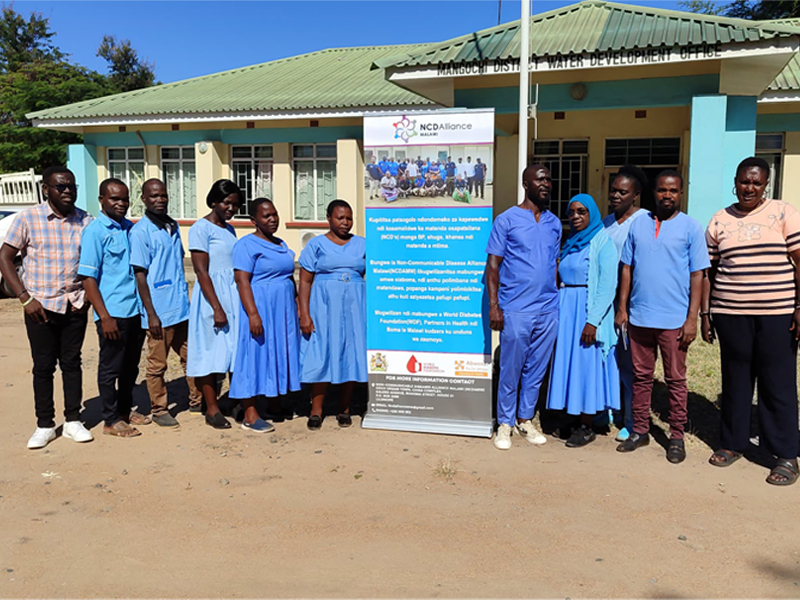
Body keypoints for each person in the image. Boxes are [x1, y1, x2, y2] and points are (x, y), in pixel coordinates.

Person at [702, 156, 800, 486]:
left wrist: (799, 306)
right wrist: (706, 313)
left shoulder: (784, 213)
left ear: (766, 185)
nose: (750, 187)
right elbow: (710, 271)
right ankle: (733, 442)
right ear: (735, 182)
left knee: (778, 383)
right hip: (731, 314)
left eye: (757, 183)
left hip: (777, 315)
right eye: (745, 181)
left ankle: (785, 454)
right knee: (736, 380)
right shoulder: (720, 219)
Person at [615, 170, 709, 463]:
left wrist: (692, 318)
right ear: (653, 192)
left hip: (674, 321)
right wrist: (622, 308)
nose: (667, 195)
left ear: (680, 193)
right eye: (662, 190)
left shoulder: (691, 227)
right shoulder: (638, 224)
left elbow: (698, 274)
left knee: (675, 380)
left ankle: (677, 436)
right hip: (640, 318)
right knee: (641, 377)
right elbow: (627, 268)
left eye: (673, 190)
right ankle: (640, 430)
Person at [0, 166, 94, 449]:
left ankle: (73, 420)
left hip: (75, 305)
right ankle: (45, 424)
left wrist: (87, 299)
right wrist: (25, 298)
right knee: (43, 367)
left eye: (72, 186)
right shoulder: (28, 218)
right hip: (40, 307)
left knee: (72, 363)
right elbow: (5, 258)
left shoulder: (86, 220)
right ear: (46, 189)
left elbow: (95, 262)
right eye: (60, 186)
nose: (67, 191)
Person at [485, 165, 561, 450]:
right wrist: (495, 306)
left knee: (537, 367)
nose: (546, 183)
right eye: (540, 179)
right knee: (511, 367)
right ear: (526, 184)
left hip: (548, 308)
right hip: (516, 307)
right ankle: (504, 423)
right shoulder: (507, 220)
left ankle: (525, 418)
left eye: (548, 179)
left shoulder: (554, 223)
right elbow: (493, 266)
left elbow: (553, 264)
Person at [547, 194, 619, 447]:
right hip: (567, 310)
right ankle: (572, 416)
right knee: (570, 364)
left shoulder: (602, 242)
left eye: (581, 211)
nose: (575, 216)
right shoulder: (570, 243)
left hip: (587, 312)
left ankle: (587, 424)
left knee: (586, 366)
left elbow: (607, 286)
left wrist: (593, 321)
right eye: (571, 212)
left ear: (592, 214)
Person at [130, 178, 201, 428]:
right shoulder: (141, 232)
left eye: (163, 195)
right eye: (153, 196)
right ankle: (159, 409)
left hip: (180, 307)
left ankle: (197, 400)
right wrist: (151, 313)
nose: (159, 199)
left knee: (191, 356)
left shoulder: (172, 226)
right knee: (157, 364)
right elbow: (140, 274)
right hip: (159, 311)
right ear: (144, 199)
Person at [78, 178, 147, 438]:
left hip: (134, 310)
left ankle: (125, 411)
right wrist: (104, 316)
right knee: (110, 368)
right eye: (115, 198)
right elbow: (88, 277)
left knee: (131, 366)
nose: (121, 203)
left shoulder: (130, 228)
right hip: (113, 313)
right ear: (102, 200)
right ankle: (110, 419)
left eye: (125, 199)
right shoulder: (95, 232)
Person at [229, 198, 300, 432]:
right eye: (266, 216)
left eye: (275, 214)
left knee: (278, 352)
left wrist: (297, 305)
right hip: (260, 306)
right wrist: (253, 314)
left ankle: (274, 402)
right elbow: (242, 280)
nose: (272, 219)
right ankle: (249, 413)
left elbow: (288, 277)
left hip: (283, 310)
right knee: (253, 355)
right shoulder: (246, 245)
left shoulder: (280, 243)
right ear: (254, 220)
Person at [298, 200, 366, 430]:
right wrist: (304, 313)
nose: (345, 222)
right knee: (322, 353)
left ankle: (344, 408)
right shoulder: (316, 245)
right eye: (340, 218)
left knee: (351, 353)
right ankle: (316, 409)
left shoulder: (362, 244)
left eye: (349, 218)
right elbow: (305, 281)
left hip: (354, 307)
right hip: (324, 307)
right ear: (328, 218)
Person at [187, 179, 243, 430]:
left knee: (233, 351)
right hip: (212, 298)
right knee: (210, 352)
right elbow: (201, 271)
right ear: (213, 202)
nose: (231, 208)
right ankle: (211, 408)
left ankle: (235, 401)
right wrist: (217, 307)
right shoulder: (201, 228)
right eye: (226, 203)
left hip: (232, 295)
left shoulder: (229, 229)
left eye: (235, 204)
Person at [602, 165, 649, 442]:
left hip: (631, 303)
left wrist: (625, 306)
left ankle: (632, 421)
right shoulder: (606, 223)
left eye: (623, 192)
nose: (616, 196)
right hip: (605, 302)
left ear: (636, 195)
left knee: (631, 363)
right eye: (613, 190)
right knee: (609, 357)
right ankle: (609, 409)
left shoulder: (645, 221)